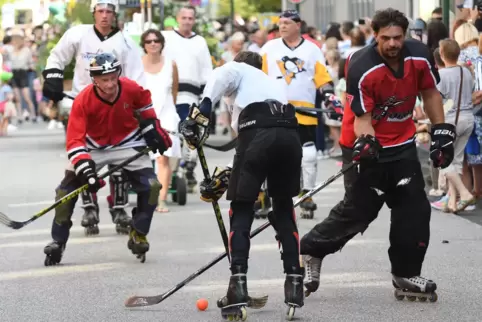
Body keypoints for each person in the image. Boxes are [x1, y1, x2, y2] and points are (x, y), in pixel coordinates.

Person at [300, 8, 455, 301]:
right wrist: (367, 142)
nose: (393, 44)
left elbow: (430, 93)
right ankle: (310, 249)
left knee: (415, 210)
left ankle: (405, 272)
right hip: (363, 143)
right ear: (375, 36)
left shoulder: (420, 56)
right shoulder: (361, 65)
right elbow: (362, 117)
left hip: (402, 145)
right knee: (360, 211)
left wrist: (441, 130)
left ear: (405, 35)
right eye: (386, 38)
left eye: (398, 37)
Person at [179, 51, 304, 320]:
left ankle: (237, 286)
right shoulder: (269, 86)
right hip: (290, 135)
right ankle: (294, 283)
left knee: (241, 209)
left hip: (260, 133)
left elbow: (222, 75)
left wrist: (201, 112)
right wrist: (228, 176)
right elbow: (254, 152)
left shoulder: (238, 70)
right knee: (283, 207)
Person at [43, 53, 171, 266]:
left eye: (113, 77)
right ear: (94, 79)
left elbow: (145, 105)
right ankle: (58, 241)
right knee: (64, 192)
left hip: (128, 142)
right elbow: (75, 141)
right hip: (93, 146)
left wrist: (152, 127)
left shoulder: (130, 87)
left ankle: (138, 232)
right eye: (104, 80)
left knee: (152, 186)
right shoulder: (83, 100)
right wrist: (87, 170)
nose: (111, 84)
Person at [41, 0, 146, 235]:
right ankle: (89, 208)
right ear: (93, 13)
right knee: (84, 159)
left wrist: (139, 111)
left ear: (115, 15)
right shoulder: (77, 35)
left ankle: (119, 208)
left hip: (115, 107)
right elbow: (56, 56)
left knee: (119, 161)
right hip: (83, 105)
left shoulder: (127, 44)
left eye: (109, 11)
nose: (105, 16)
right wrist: (54, 78)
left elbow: (136, 78)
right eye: (101, 11)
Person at [259, 10, 334, 219]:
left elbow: (323, 77)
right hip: (274, 110)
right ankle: (266, 194)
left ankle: (307, 194)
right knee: (270, 155)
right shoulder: (269, 49)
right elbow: (257, 76)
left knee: (308, 155)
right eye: (280, 23)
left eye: (286, 23)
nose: (282, 26)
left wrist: (329, 96)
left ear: (298, 25)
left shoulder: (312, 50)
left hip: (304, 111)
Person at [162, 5, 213, 193]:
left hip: (190, 95)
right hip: (168, 94)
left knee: (191, 132)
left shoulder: (199, 42)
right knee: (170, 132)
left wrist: (207, 97)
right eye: (184, 18)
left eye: (190, 18)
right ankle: (170, 171)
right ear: (178, 18)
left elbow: (206, 70)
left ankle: (188, 168)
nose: (187, 21)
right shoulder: (166, 38)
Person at [141, 29, 182, 213]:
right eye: (149, 41)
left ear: (161, 43)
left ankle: (161, 199)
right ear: (144, 45)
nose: (153, 44)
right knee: (144, 158)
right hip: (144, 115)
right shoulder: (137, 65)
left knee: (162, 158)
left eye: (156, 40)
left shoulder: (170, 65)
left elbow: (174, 91)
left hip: (166, 115)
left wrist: (168, 113)